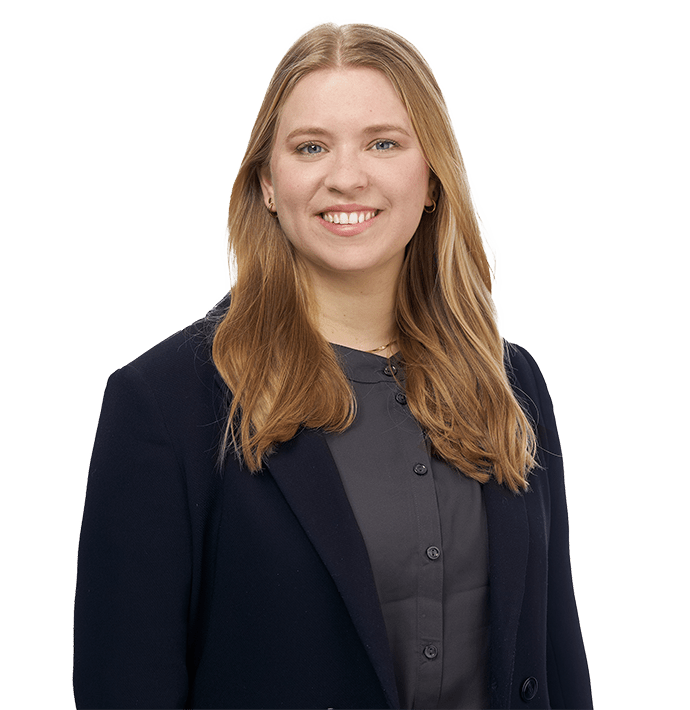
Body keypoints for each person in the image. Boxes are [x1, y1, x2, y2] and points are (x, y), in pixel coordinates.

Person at [72, 20, 593, 710]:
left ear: (431, 179)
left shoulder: (510, 382)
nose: (347, 178)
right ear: (267, 182)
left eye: (384, 143)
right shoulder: (164, 404)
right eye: (311, 147)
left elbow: (555, 657)